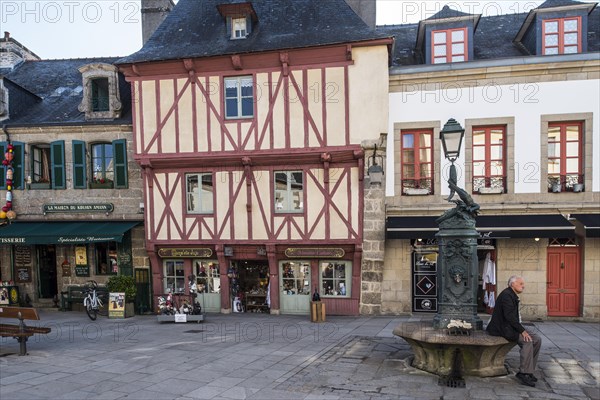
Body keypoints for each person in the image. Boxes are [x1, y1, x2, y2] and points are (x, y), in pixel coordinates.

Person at [487, 275, 542, 387]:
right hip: (502, 328)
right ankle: (523, 373)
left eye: (523, 284)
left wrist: (522, 330)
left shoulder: (511, 294)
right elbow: (509, 317)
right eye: (521, 284)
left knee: (537, 339)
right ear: (513, 284)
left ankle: (529, 370)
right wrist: (522, 331)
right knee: (527, 341)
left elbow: (513, 319)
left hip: (510, 326)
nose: (523, 286)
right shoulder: (507, 296)